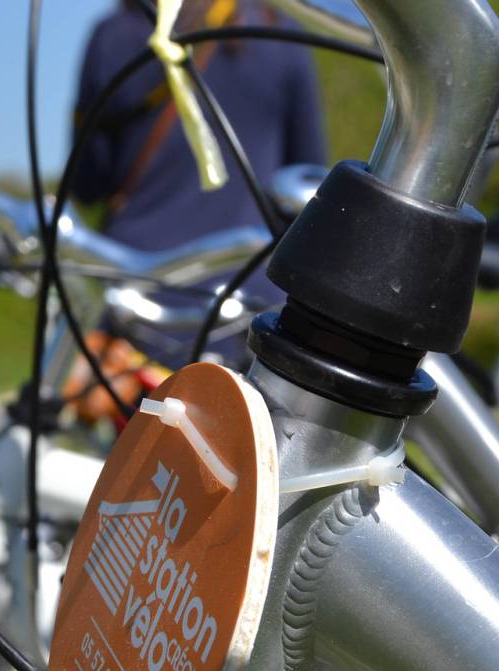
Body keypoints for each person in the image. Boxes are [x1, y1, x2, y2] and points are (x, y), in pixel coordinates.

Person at [70, 0, 326, 388]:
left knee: (131, 438)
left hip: (138, 293)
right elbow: (306, 179)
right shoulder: (277, 31)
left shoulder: (114, 35)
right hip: (249, 296)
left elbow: (88, 183)